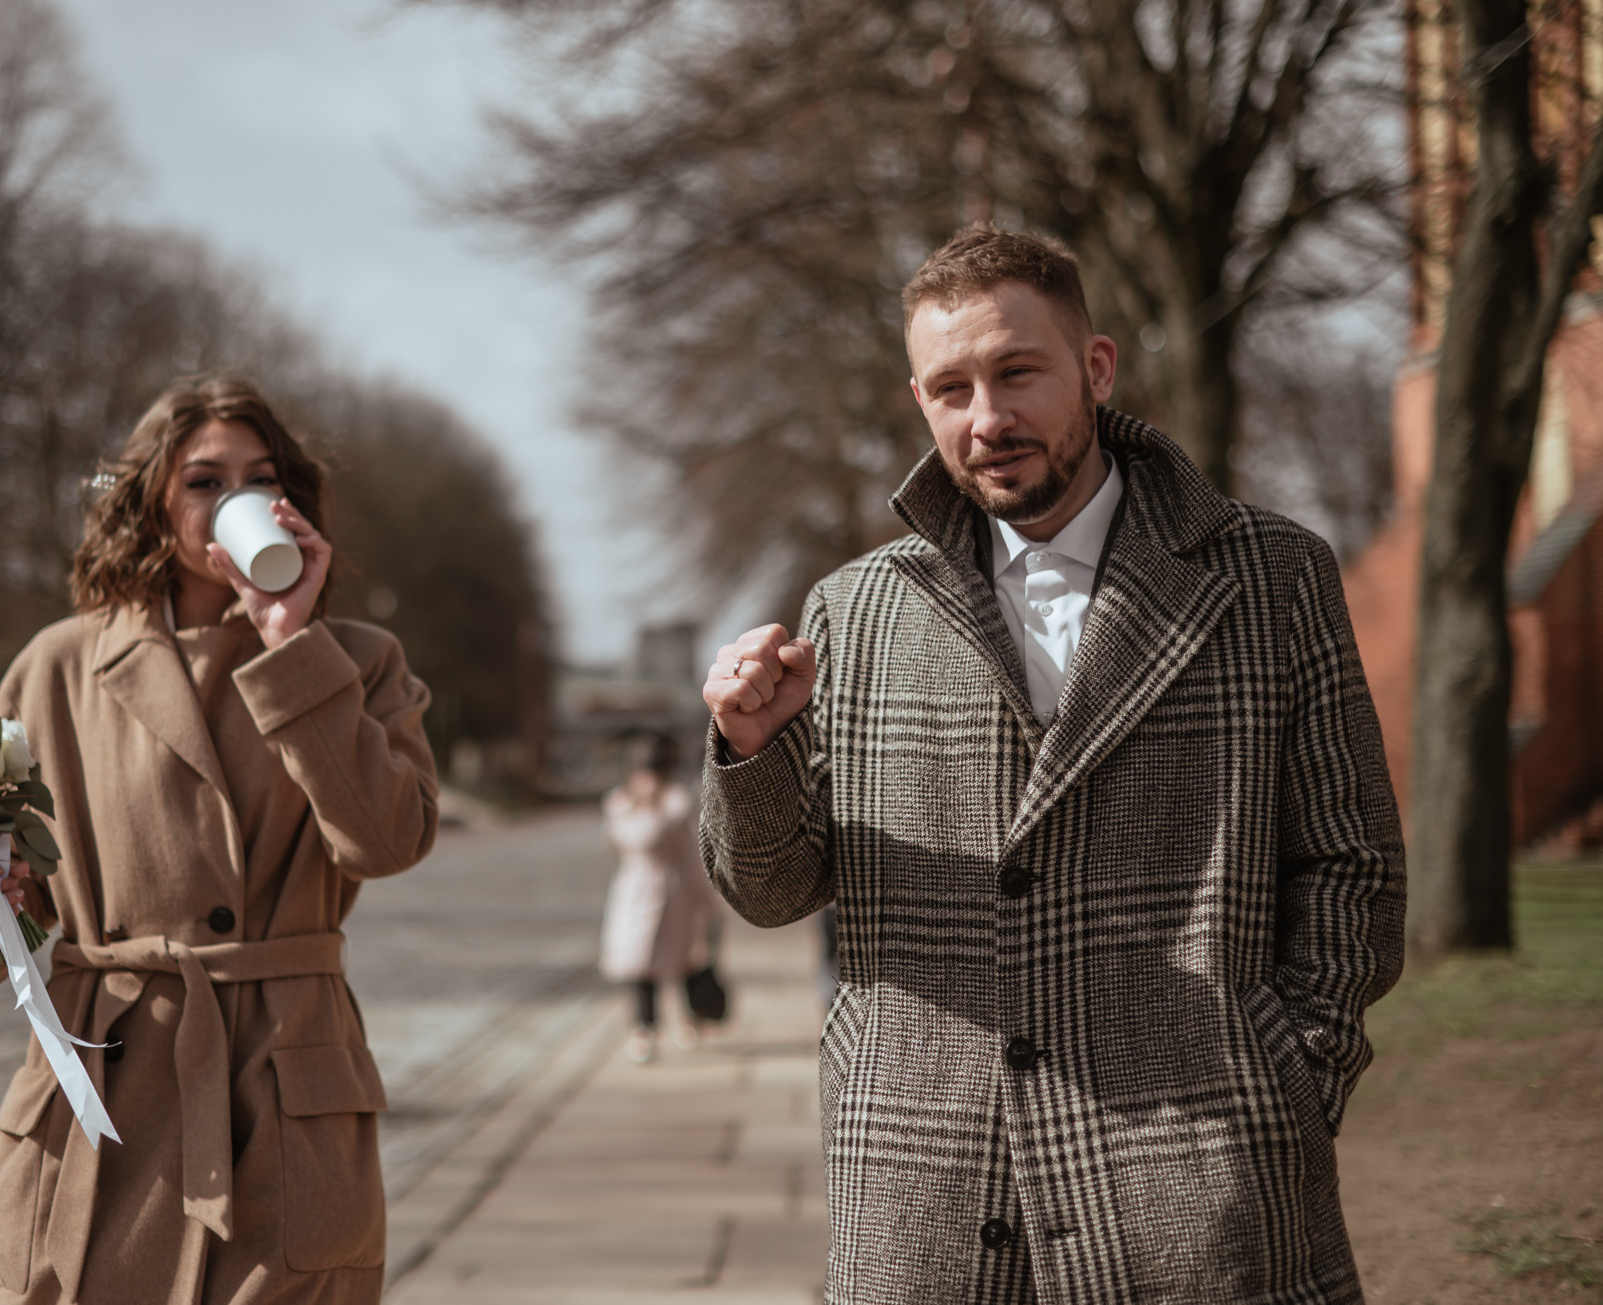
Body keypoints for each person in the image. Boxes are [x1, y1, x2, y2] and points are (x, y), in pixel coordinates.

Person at [699, 226, 1404, 1303]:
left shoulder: (1271, 578)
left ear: (1097, 368)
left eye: (1017, 372)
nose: (986, 418)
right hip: (926, 1195)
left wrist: (1288, 1076)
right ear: (920, 401)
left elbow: (1353, 864)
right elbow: (773, 892)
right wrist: (753, 751)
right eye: (951, 389)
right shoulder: (857, 608)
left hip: (1201, 1185)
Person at [0, 375, 438, 1305]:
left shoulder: (357, 660)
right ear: (153, 503)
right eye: (205, 480)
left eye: (261, 478)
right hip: (105, 1091)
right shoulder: (55, 667)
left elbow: (388, 840)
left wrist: (291, 642)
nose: (238, 499)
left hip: (280, 1093)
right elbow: (21, 896)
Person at [599, 733, 721, 1063]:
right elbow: (624, 842)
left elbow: (691, 855)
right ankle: (643, 1028)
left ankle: (689, 1017)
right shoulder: (619, 804)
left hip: (673, 894)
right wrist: (639, 806)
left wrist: (705, 904)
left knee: (680, 961)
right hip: (633, 892)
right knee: (638, 963)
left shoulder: (676, 804)